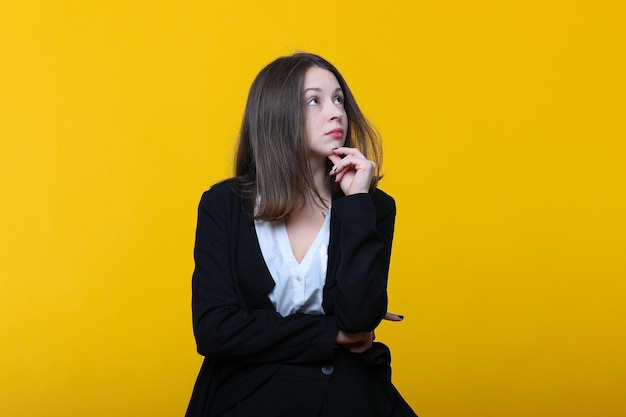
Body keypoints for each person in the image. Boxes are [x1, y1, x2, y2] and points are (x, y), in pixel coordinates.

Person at [186, 52, 417, 417]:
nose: (336, 112)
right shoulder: (224, 205)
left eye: (338, 99)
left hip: (347, 392)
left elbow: (358, 318)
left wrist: (356, 201)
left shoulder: (372, 206)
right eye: (315, 101)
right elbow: (214, 329)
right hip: (248, 395)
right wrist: (331, 335)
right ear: (277, 115)